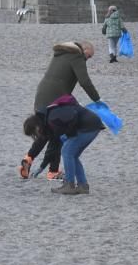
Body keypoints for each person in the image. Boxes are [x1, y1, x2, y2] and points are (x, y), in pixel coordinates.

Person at [30, 41, 101, 181]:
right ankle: (52, 171)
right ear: (83, 49)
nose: (88, 59)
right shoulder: (77, 56)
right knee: (57, 136)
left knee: (47, 132)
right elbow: (85, 82)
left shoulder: (60, 54)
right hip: (55, 100)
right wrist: (97, 100)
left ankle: (30, 158)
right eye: (89, 55)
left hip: (40, 97)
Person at [22, 94, 104, 195]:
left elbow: (73, 115)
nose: (36, 135)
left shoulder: (52, 117)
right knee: (72, 155)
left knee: (67, 152)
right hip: (92, 124)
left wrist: (70, 133)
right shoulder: (48, 122)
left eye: (34, 133)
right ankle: (83, 186)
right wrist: (42, 167)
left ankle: (69, 185)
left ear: (36, 126)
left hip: (89, 126)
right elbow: (53, 147)